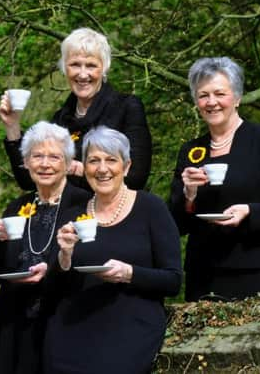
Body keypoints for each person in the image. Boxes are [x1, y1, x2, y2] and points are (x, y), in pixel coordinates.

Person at [43, 126, 182, 374]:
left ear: (126, 167)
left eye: (111, 160)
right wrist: (64, 255)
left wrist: (129, 273)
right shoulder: (73, 214)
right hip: (72, 330)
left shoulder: (152, 208)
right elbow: (52, 289)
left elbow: (173, 281)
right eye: (94, 161)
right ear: (84, 168)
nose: (102, 169)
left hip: (130, 329)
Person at [169, 57, 260, 302]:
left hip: (256, 268)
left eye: (220, 93)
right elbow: (176, 224)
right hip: (204, 273)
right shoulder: (190, 150)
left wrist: (249, 211)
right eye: (203, 95)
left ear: (237, 98)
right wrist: (189, 195)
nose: (211, 102)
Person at [0, 121, 90, 374]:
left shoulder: (84, 206)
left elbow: (89, 263)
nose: (45, 164)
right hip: (13, 323)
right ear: (26, 162)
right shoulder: (15, 208)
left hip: (63, 322)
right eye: (37, 156)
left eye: (54, 156)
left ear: (68, 163)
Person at [0, 27, 152, 191]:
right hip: (69, 214)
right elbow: (29, 181)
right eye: (75, 65)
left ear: (104, 69)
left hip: (112, 213)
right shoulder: (61, 119)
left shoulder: (127, 108)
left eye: (91, 65)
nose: (83, 74)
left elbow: (136, 178)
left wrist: (79, 170)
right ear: (65, 68)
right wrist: (12, 125)